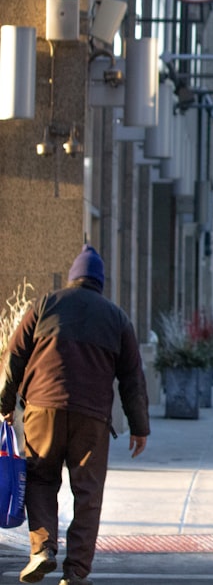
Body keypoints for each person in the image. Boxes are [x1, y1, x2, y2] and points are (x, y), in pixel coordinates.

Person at [0, 244, 150, 585]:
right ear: (99, 281)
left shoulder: (44, 305)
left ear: (72, 277)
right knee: (88, 493)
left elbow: (13, 358)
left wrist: (4, 405)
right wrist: (140, 427)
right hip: (92, 418)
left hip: (43, 409)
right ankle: (77, 572)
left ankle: (42, 549)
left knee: (40, 479)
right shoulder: (117, 318)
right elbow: (133, 378)